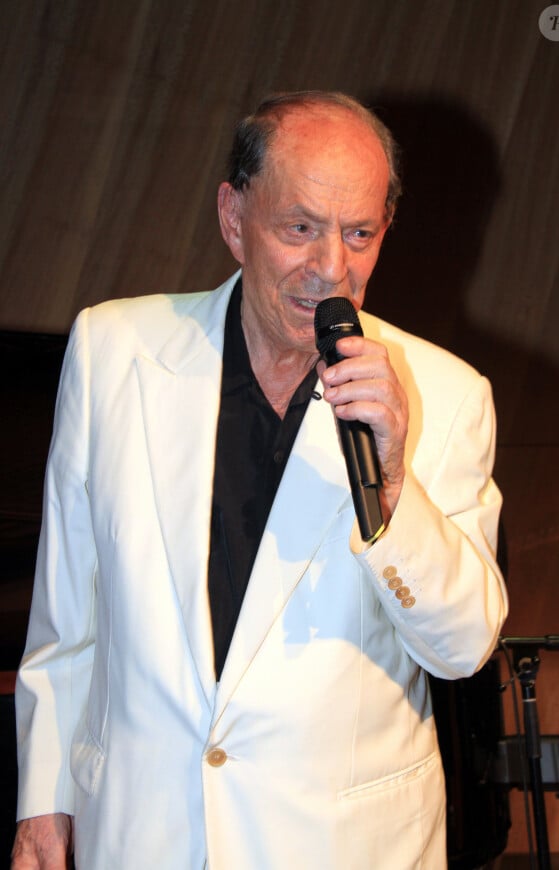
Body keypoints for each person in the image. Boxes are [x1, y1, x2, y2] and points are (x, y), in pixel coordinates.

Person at [11, 91, 507, 869]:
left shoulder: (445, 396)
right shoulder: (113, 349)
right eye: (300, 229)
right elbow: (67, 616)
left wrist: (393, 488)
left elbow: (464, 648)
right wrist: (43, 802)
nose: (331, 268)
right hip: (141, 837)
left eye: (359, 234)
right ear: (234, 219)